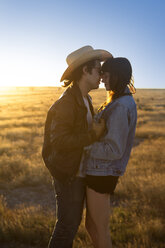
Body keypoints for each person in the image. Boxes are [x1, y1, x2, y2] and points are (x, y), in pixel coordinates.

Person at [42, 45, 112, 248]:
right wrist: (93, 135)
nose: (101, 75)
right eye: (98, 69)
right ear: (85, 70)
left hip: (78, 172)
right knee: (67, 227)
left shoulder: (86, 98)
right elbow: (60, 142)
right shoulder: (66, 103)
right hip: (68, 174)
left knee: (71, 226)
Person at [82, 57, 137, 248]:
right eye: (102, 74)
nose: (103, 79)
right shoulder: (118, 99)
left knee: (99, 228)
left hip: (102, 173)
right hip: (99, 171)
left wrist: (83, 146)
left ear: (117, 76)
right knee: (91, 225)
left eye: (106, 75)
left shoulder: (121, 106)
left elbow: (114, 149)